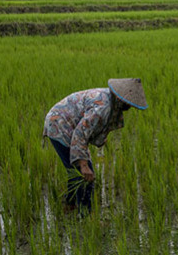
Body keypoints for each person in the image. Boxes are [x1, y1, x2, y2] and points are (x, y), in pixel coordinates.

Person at [43, 78, 147, 214]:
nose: (130, 107)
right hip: (59, 125)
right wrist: (84, 164)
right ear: (121, 98)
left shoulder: (110, 99)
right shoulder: (102, 107)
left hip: (65, 123)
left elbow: (93, 127)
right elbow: (80, 133)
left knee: (75, 171)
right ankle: (85, 215)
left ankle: (70, 205)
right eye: (129, 103)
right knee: (84, 175)